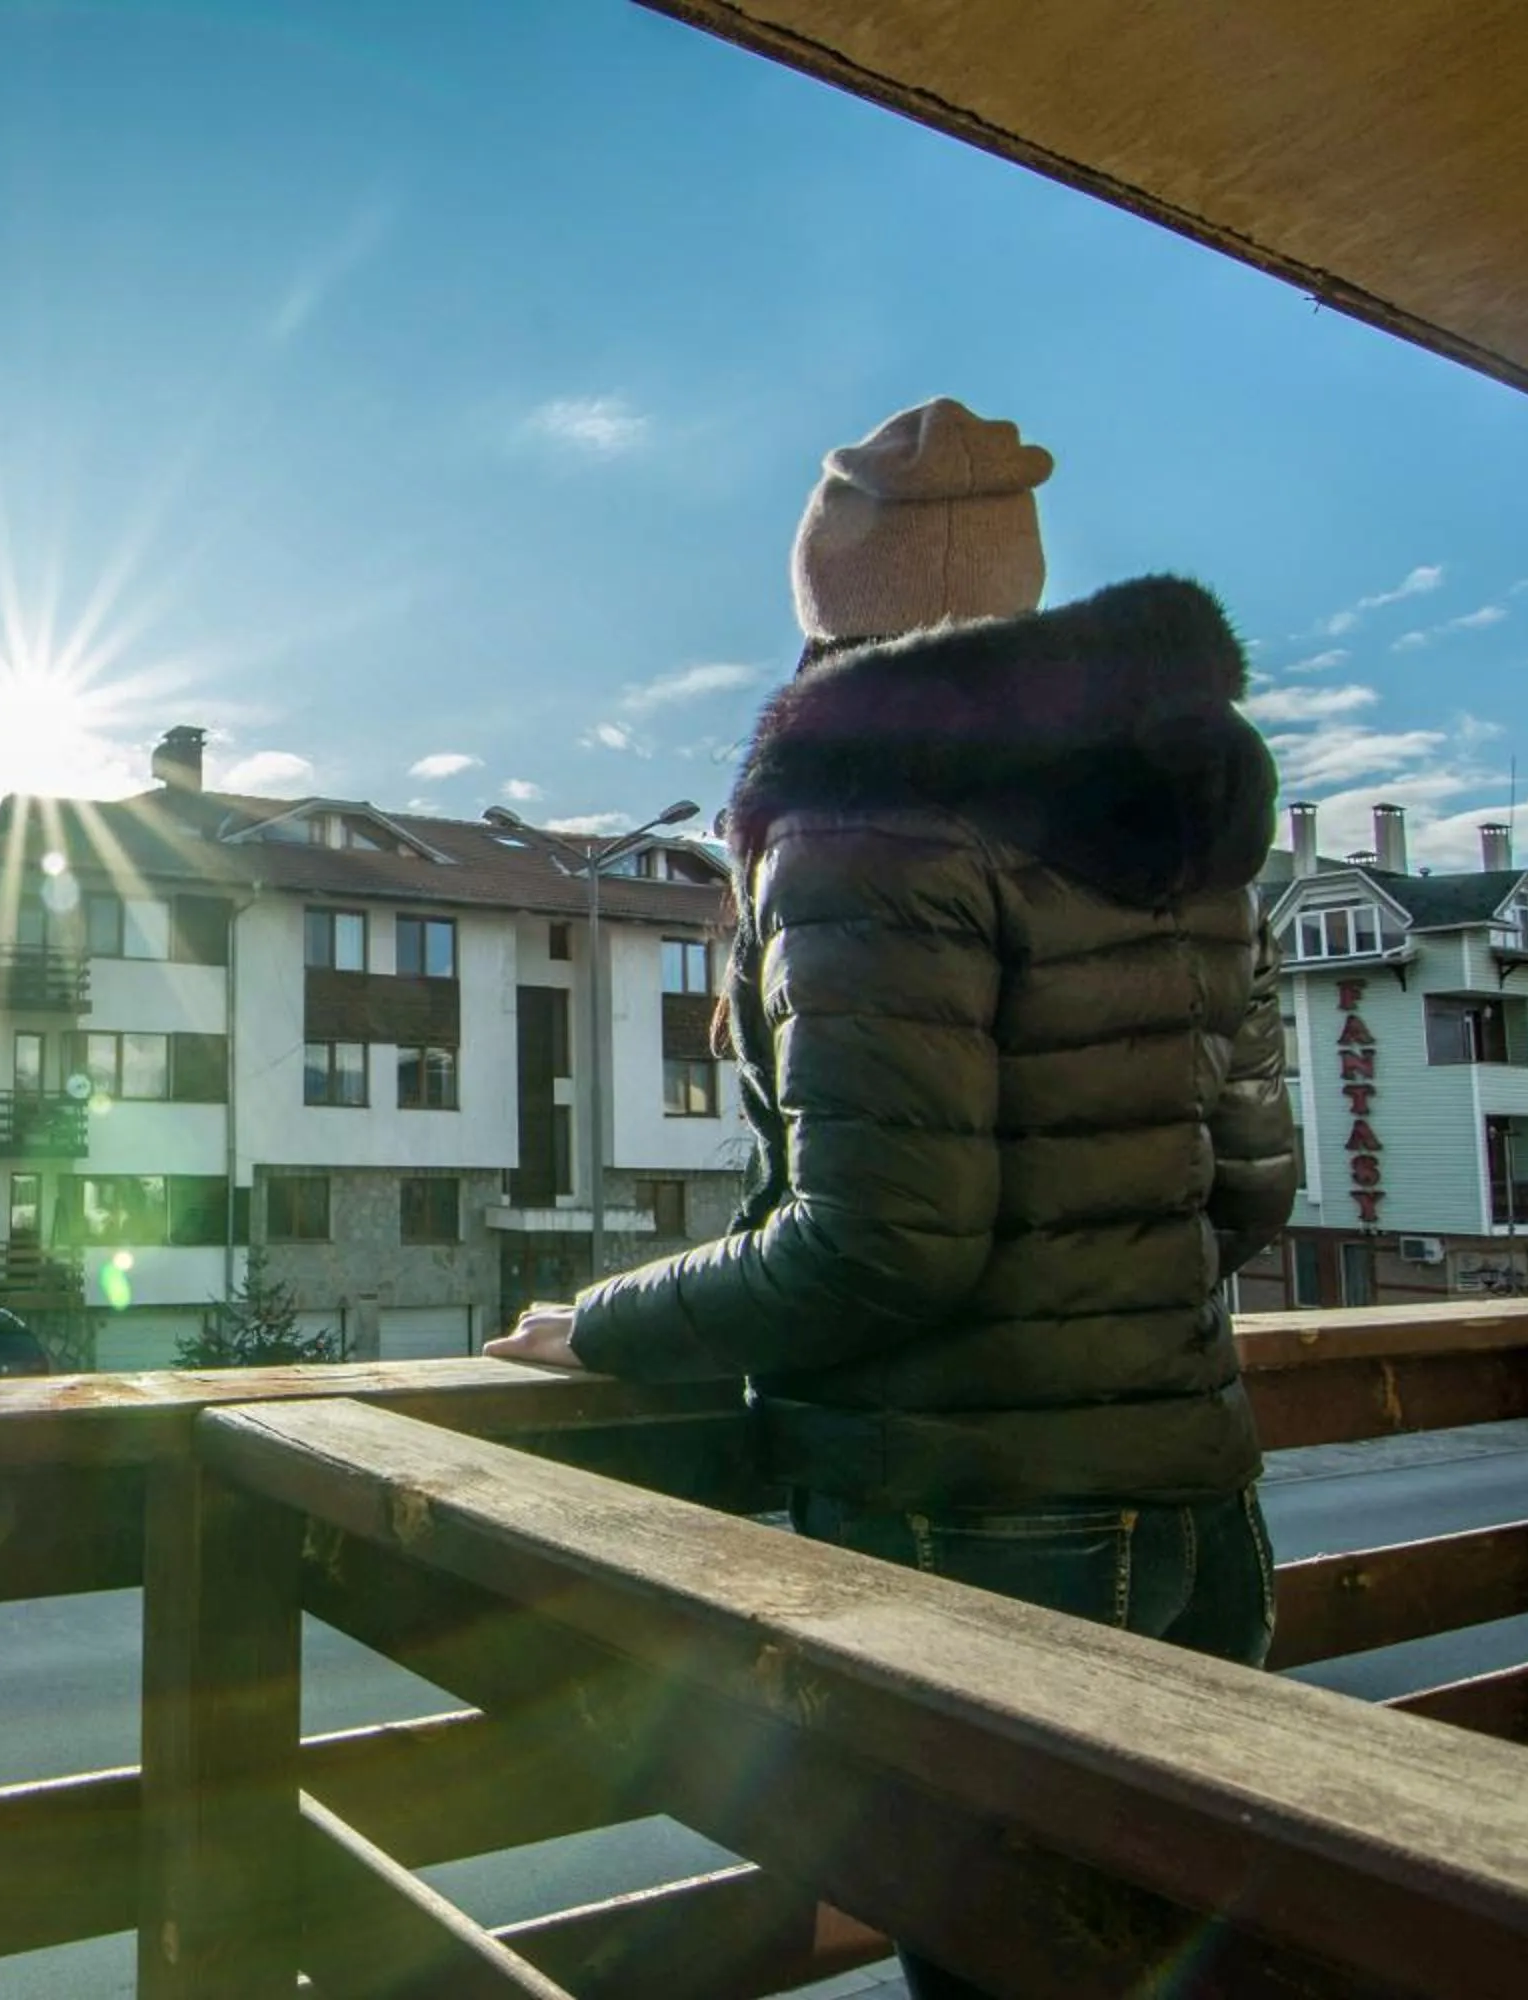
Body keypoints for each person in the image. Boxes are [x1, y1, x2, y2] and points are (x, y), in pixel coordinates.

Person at [485, 396, 1296, 1999]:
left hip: (989, 1519)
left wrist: (607, 1326)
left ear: (832, 599)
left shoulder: (866, 823)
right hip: (1199, 1504)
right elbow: (1250, 1185)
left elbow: (881, 1241)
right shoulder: (1175, 811)